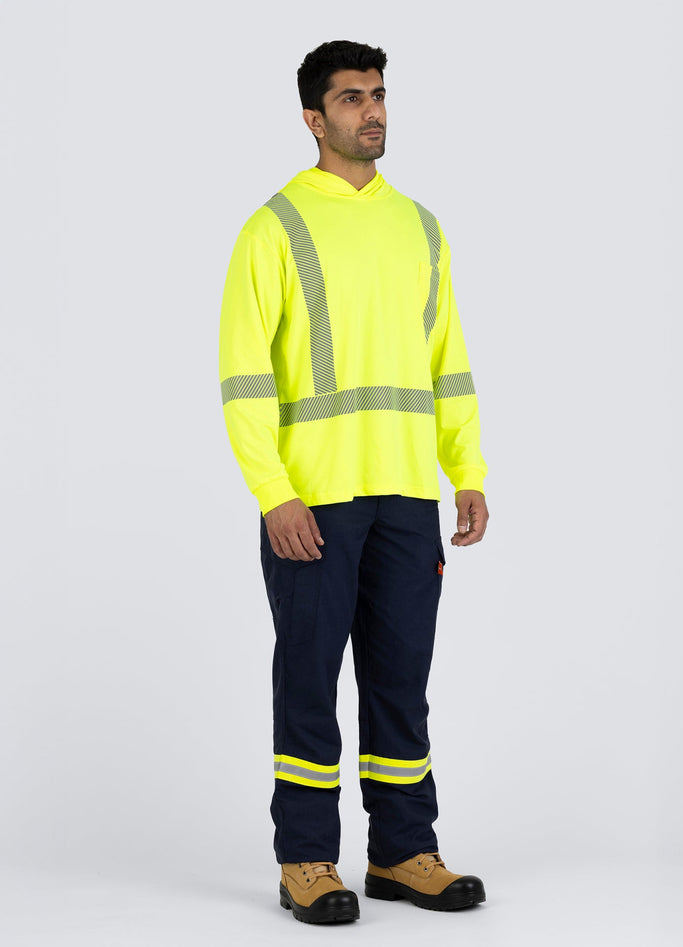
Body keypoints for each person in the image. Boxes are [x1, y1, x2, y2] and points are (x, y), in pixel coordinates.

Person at [219, 39, 489, 925]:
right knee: (308, 681)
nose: (371, 111)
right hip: (315, 499)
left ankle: (403, 850)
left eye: (377, 95)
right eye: (350, 98)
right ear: (313, 118)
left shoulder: (420, 226)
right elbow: (244, 377)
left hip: (408, 492)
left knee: (400, 681)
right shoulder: (274, 228)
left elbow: (448, 362)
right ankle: (305, 859)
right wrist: (273, 491)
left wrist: (466, 470)